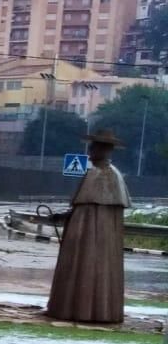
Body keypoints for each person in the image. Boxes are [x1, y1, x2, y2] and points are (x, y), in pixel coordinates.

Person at [47, 128, 130, 324]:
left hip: (88, 241)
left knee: (85, 266)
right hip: (91, 237)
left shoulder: (98, 173)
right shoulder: (111, 174)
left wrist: (70, 218)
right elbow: (82, 209)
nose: (90, 151)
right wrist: (67, 216)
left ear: (104, 149)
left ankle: (78, 310)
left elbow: (84, 210)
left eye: (93, 147)